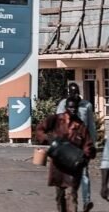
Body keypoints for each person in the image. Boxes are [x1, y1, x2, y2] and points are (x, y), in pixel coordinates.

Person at [37, 93, 96, 212]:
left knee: (72, 195)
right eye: (71, 107)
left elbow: (88, 144)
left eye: (75, 107)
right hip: (58, 165)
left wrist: (86, 155)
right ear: (66, 108)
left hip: (73, 166)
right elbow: (40, 129)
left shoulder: (81, 126)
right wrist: (48, 139)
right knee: (60, 197)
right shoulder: (56, 119)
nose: (73, 110)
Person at [57, 82, 96, 212]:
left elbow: (91, 126)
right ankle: (66, 203)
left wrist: (92, 144)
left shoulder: (87, 106)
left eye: (75, 93)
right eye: (70, 93)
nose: (73, 95)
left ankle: (86, 202)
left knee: (84, 173)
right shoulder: (63, 104)